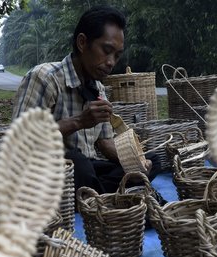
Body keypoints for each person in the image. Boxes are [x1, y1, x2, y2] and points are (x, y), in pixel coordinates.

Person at [12, 5, 160, 194]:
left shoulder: (97, 87)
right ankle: (108, 195)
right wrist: (79, 121)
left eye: (116, 56)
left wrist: (137, 161)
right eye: (106, 50)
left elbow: (105, 144)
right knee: (79, 164)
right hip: (48, 171)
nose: (111, 62)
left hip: (89, 170)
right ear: (82, 43)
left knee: (153, 161)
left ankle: (95, 194)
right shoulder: (45, 77)